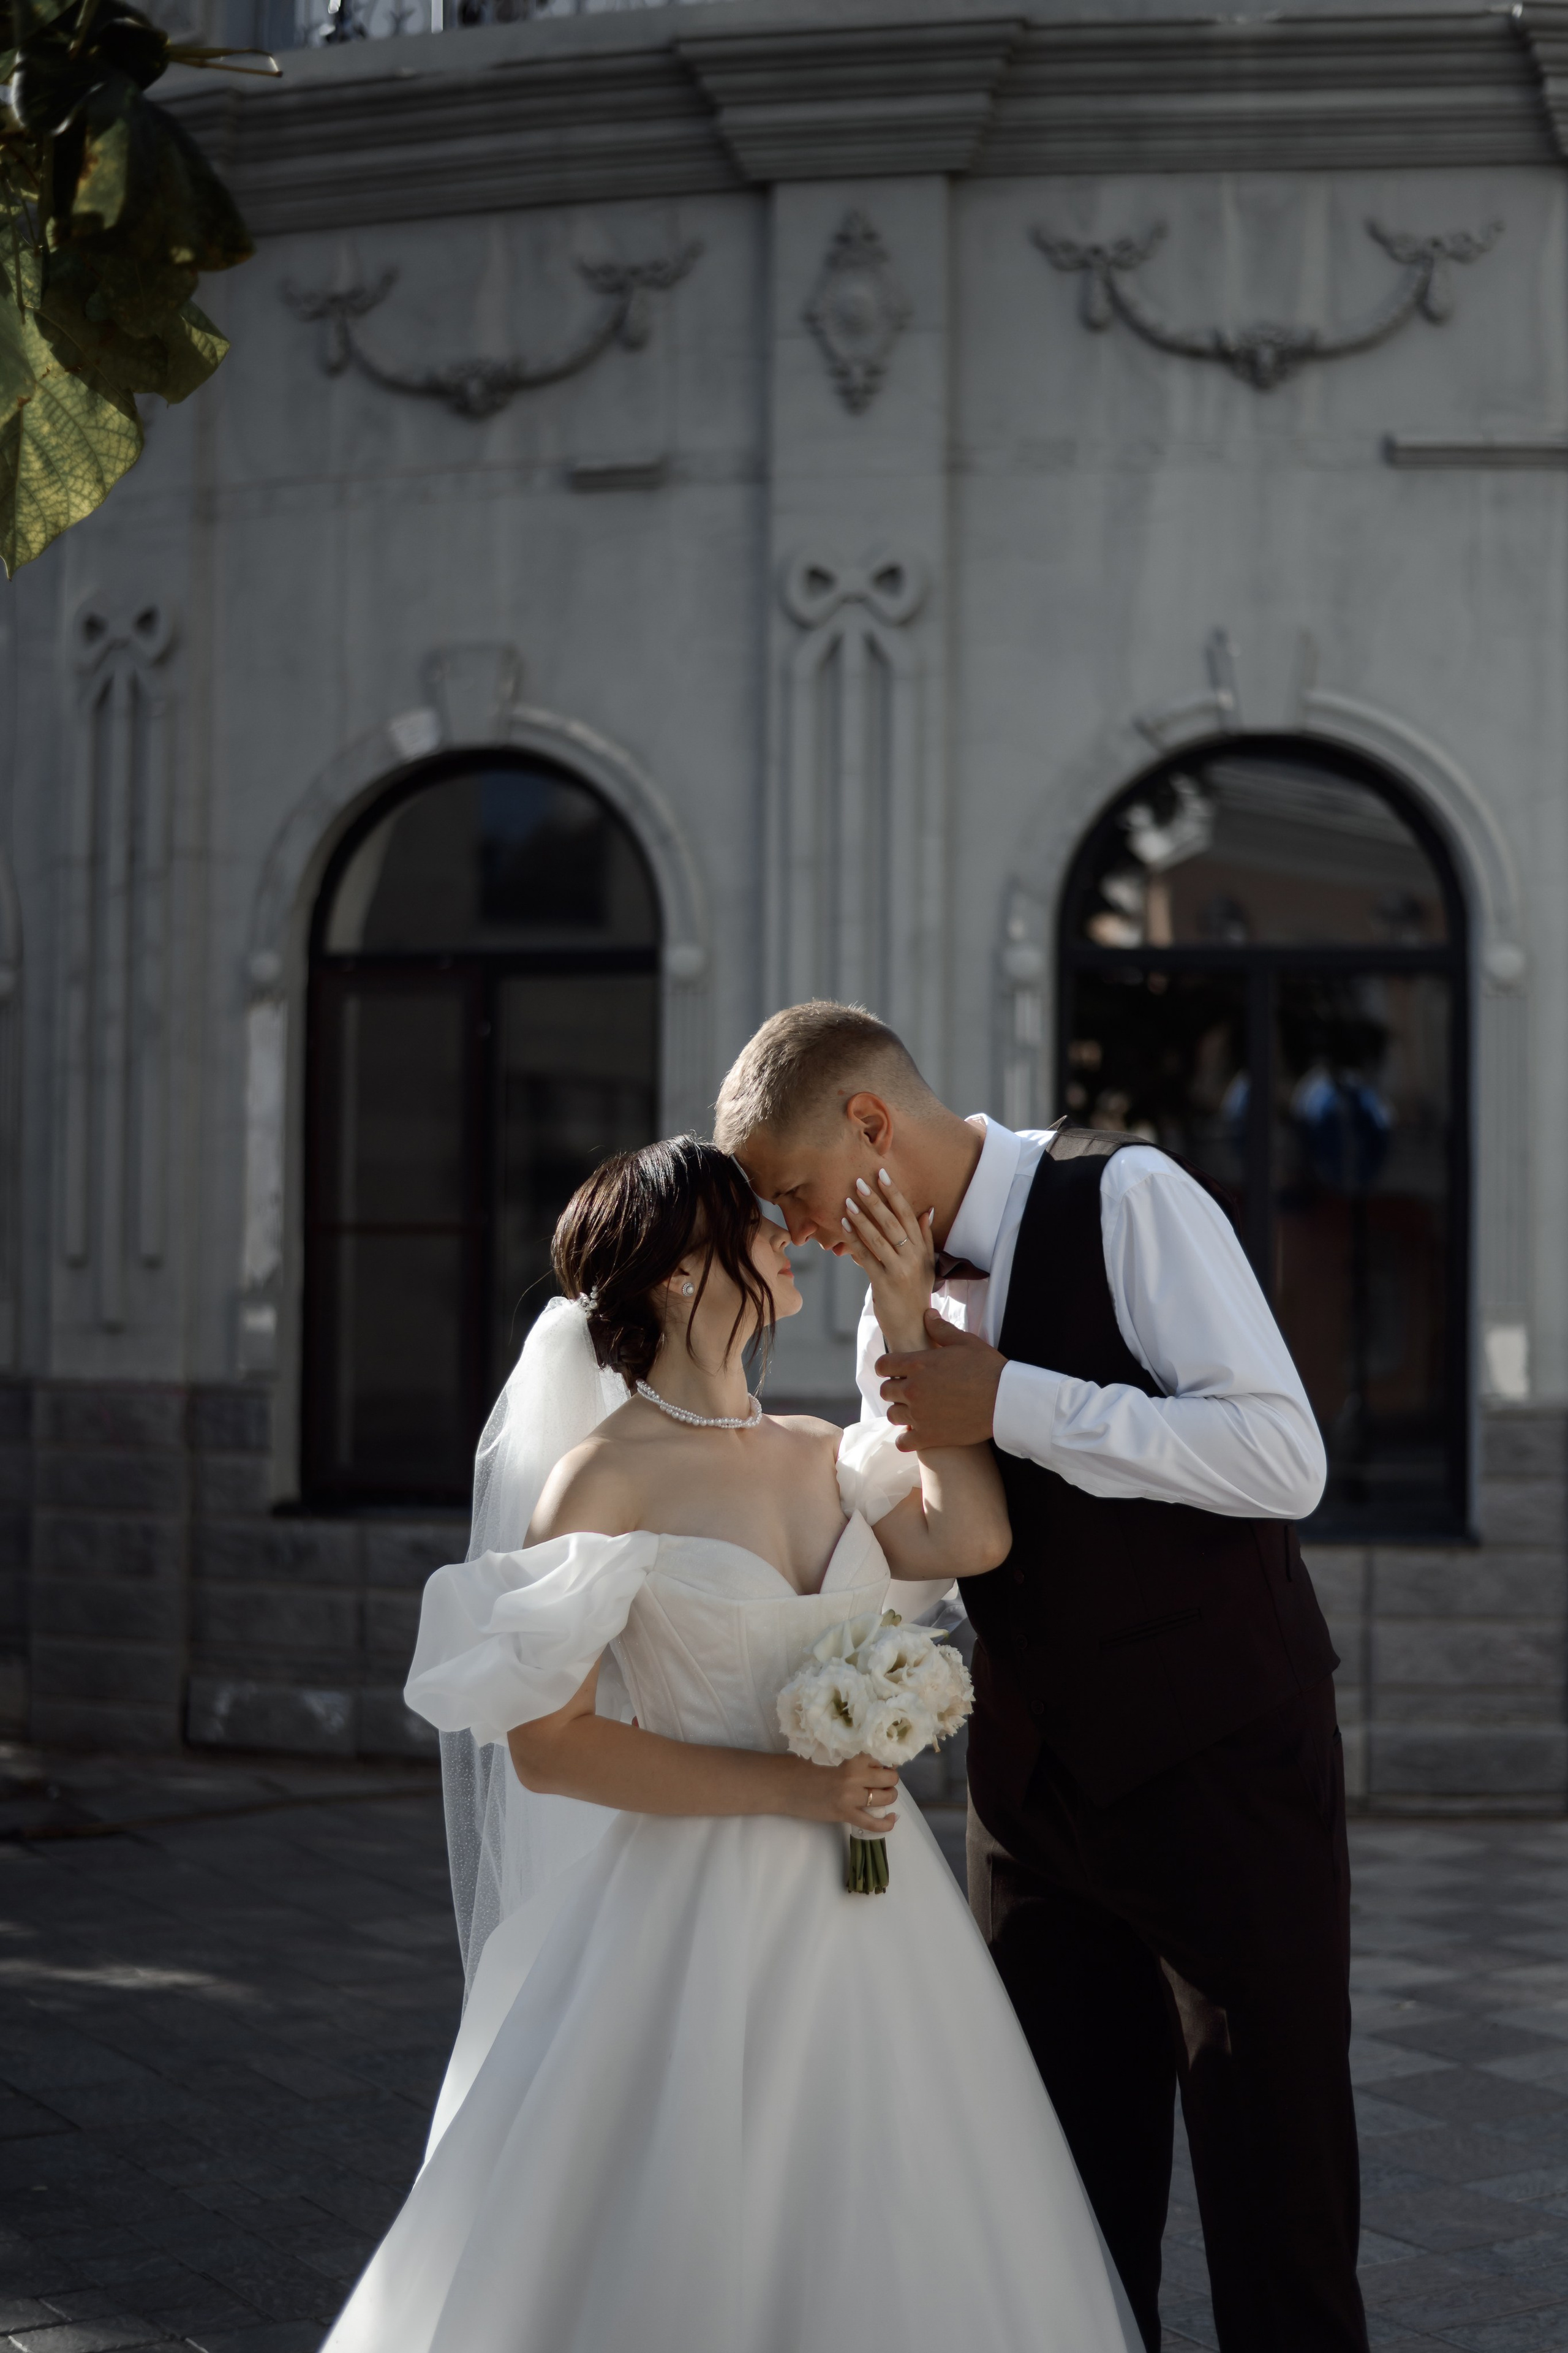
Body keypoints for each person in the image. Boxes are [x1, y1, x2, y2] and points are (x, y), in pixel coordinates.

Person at [322, 1135, 1139, 2353]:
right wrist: (785, 1787)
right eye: (750, 1223)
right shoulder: (601, 1479)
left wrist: (909, 1316)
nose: (781, 1234)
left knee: (903, 2193)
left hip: (877, 1898)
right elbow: (549, 1747)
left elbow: (971, 1538)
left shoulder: (822, 1449)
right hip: (695, 1900)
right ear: (672, 1275)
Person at [718, 1002, 1368, 2353]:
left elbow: (1277, 1456)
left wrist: (1009, 1397)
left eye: (796, 1193)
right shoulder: (876, 1315)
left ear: (870, 1124)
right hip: (1028, 1798)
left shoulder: (1127, 1196)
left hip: (1223, 1767)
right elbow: (945, 1546)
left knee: (1276, 2197)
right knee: (1061, 2207)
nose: (794, 1232)